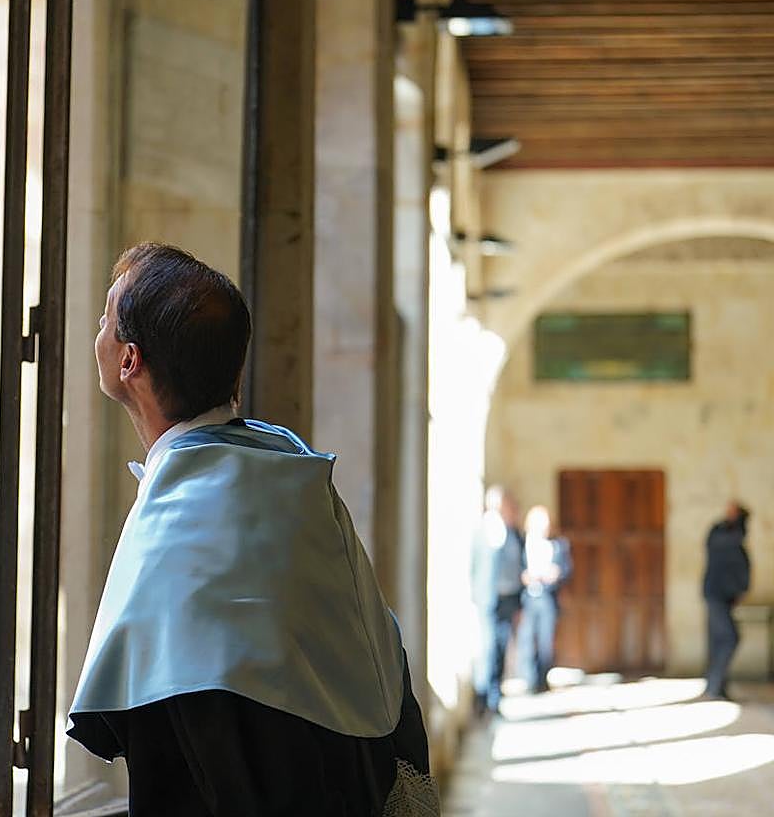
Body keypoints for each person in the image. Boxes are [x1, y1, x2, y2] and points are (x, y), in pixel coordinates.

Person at [66, 243, 436, 817]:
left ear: (128, 362)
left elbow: (180, 745)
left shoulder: (177, 523)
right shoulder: (291, 476)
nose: (97, 328)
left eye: (105, 320)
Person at [470, 485, 524, 716]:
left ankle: (495, 697)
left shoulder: (512, 532)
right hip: (489, 599)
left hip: (509, 598)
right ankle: (483, 696)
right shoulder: (484, 532)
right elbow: (475, 567)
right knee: (489, 646)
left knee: (502, 646)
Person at [516, 505, 572, 695]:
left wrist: (556, 574)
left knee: (546, 641)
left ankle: (542, 679)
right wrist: (524, 576)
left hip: (548, 597)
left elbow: (567, 569)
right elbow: (514, 568)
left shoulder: (558, 544)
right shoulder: (521, 543)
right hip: (528, 598)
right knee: (526, 639)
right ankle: (529, 679)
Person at [702, 500, 751, 700]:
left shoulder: (732, 535)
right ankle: (714, 685)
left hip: (724, 596)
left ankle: (717, 686)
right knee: (730, 638)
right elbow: (735, 538)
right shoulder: (721, 534)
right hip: (716, 595)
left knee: (719, 641)